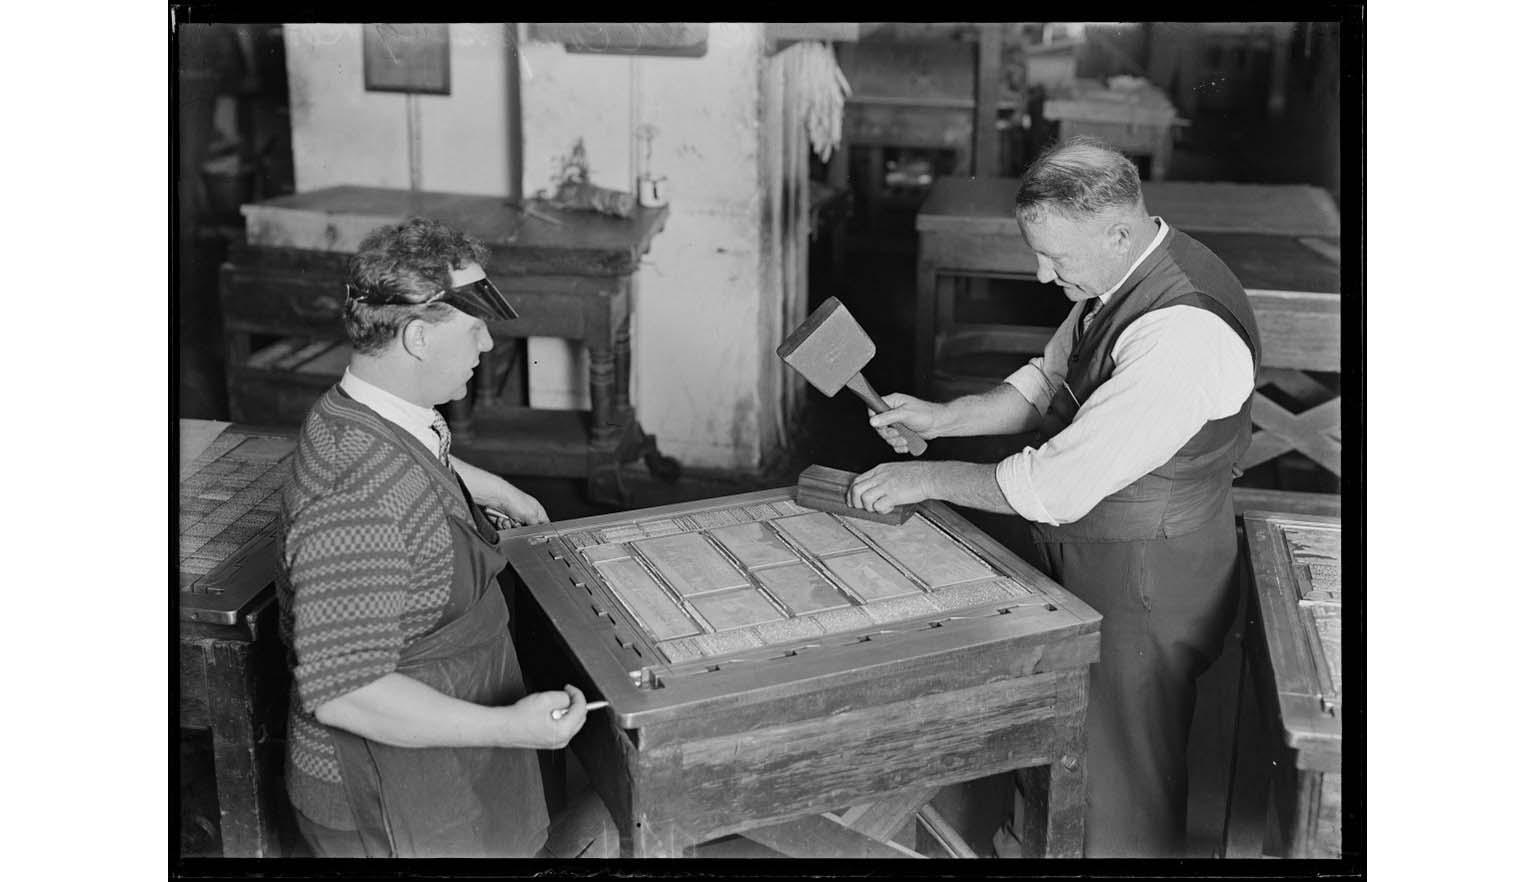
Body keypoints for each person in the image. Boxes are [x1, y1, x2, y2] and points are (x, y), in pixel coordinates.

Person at [846, 137, 1260, 858]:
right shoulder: (1126, 273)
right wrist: (945, 420)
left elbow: (1053, 486)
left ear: (1119, 231)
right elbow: (1048, 378)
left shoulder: (1179, 332)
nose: (1041, 275)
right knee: (1077, 749)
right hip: (1111, 552)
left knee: (1121, 788)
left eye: (1055, 259)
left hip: (1148, 579)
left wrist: (926, 477)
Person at [275, 217, 616, 858]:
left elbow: (420, 449)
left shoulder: (368, 408)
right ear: (417, 337)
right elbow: (346, 693)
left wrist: (494, 489)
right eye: (473, 327)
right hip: (387, 797)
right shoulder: (360, 501)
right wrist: (509, 728)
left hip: (436, 752)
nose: (488, 343)